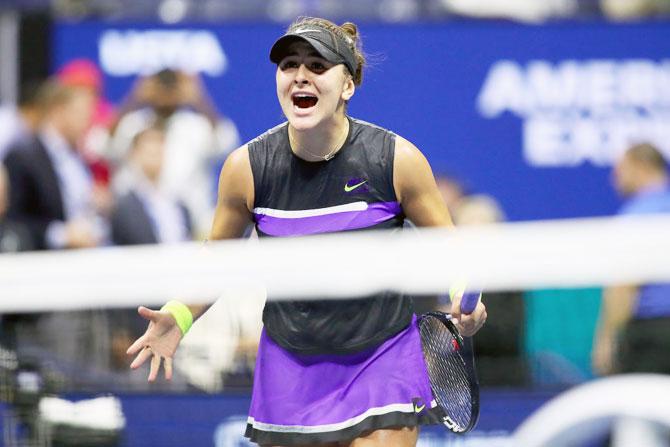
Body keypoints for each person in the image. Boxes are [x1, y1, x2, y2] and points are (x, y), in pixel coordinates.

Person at [127, 17, 487, 447]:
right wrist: (179, 317)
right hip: (290, 365)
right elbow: (217, 262)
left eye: (317, 66)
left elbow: (449, 251)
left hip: (381, 354)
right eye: (289, 65)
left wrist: (468, 299)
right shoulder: (246, 169)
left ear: (347, 85)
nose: (300, 75)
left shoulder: (396, 160)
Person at [109, 68, 240, 237]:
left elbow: (226, 141)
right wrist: (133, 98)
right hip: (141, 228)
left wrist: (199, 99)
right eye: (160, 87)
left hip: (194, 226)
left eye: (171, 87)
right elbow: (102, 144)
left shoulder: (196, 125)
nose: (165, 94)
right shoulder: (132, 123)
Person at [592, 143, 670, 376]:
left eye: (620, 170)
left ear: (641, 166)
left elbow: (623, 287)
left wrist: (606, 340)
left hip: (651, 339)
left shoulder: (636, 217)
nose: (614, 179)